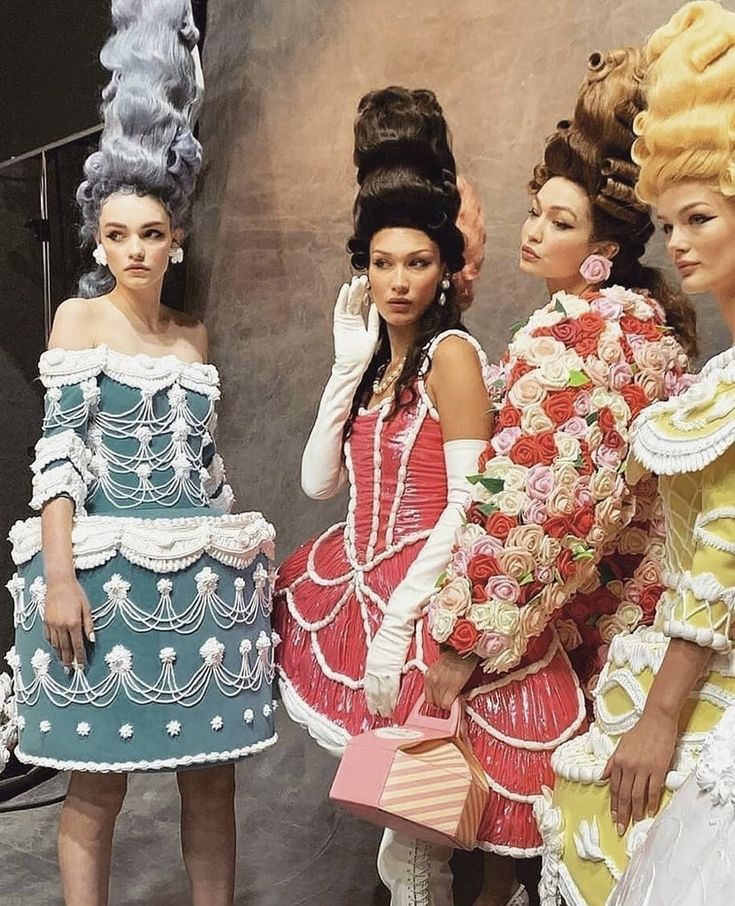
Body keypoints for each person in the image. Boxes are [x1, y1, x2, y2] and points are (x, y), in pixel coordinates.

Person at [3, 3, 276, 904]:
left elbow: (200, 466)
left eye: (150, 234)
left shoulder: (193, 335)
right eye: (115, 235)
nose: (133, 251)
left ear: (176, 239)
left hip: (193, 578)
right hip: (107, 570)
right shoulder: (80, 318)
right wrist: (60, 575)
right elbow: (59, 456)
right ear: (96, 239)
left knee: (212, 775)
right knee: (96, 782)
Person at [424, 47, 694, 906]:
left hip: (584, 640)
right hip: (638, 630)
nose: (534, 231)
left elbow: (537, 517)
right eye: (534, 212)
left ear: (602, 250)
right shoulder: (646, 331)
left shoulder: (580, 338)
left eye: (559, 220)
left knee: (525, 837)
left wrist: (461, 642)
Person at [273, 86, 492, 906]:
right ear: (361, 270)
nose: (398, 281)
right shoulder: (376, 362)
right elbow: (317, 481)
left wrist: (403, 621)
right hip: (360, 586)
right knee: (401, 830)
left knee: (415, 840)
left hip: (424, 605)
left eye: (417, 262)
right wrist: (344, 361)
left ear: (444, 269)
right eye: (381, 262)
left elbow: (470, 503)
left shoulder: (454, 358)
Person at [536, 4, 735, 904]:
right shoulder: (714, 365)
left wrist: (659, 717)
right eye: (670, 221)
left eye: (698, 217)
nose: (679, 241)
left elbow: (721, 562)